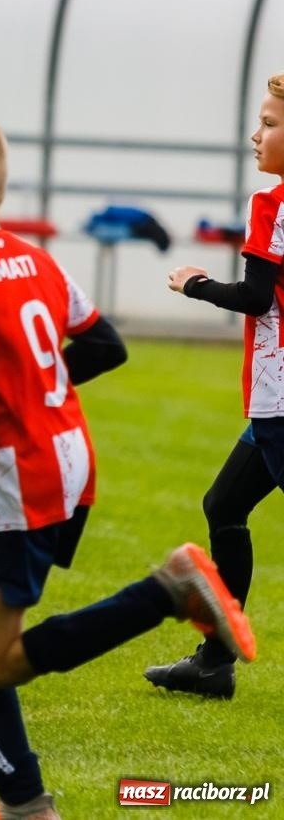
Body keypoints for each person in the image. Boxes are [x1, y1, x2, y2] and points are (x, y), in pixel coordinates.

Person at [0, 112, 255, 820]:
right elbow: (106, 346)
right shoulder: (37, 260)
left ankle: (169, 588)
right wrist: (34, 387)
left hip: (23, 475)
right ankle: (24, 804)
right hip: (66, 454)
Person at [146, 72, 284, 698]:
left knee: (225, 506)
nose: (256, 135)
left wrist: (194, 284)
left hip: (279, 399)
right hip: (272, 407)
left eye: (270, 124)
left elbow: (256, 297)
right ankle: (214, 660)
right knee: (224, 504)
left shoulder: (273, 204)